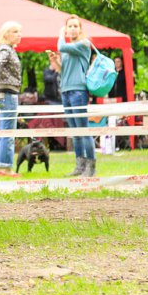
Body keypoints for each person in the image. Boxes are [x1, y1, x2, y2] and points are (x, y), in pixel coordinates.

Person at [58, 14, 96, 177]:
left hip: (78, 90)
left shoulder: (83, 44)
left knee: (83, 129)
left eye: (75, 26)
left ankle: (91, 166)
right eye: (69, 26)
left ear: (80, 29)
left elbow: (61, 46)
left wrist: (60, 34)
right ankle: (79, 165)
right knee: (75, 131)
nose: (72, 29)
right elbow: (63, 70)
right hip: (66, 90)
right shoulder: (69, 48)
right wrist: (55, 63)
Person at [0, 21, 23, 177]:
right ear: (6, 34)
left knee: (4, 130)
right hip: (8, 94)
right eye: (15, 31)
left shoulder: (7, 49)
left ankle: (2, 166)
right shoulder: (6, 50)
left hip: (5, 93)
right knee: (8, 131)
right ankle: (6, 168)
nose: (18, 35)